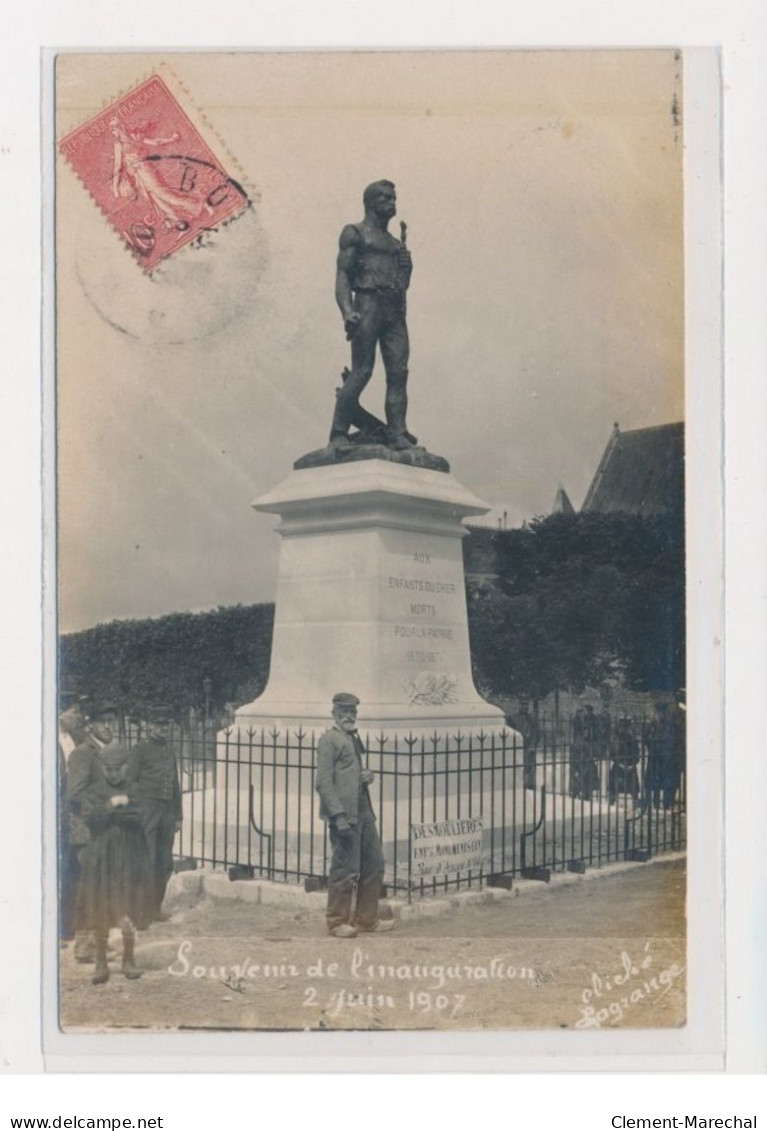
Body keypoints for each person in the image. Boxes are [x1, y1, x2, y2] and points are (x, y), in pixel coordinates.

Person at [330, 180, 414, 451]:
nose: (392, 203)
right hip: (367, 303)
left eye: (394, 198)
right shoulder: (355, 233)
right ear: (370, 202)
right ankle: (339, 433)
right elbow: (342, 276)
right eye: (386, 198)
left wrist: (406, 268)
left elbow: (403, 284)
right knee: (362, 370)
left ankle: (398, 433)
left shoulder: (393, 243)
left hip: (394, 309)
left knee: (398, 372)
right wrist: (348, 311)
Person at [315, 692, 393, 938]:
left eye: (352, 712)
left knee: (374, 865)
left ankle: (366, 920)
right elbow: (324, 783)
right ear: (334, 715)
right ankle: (337, 922)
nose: (349, 716)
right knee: (344, 869)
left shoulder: (352, 738)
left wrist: (367, 776)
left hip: (364, 812)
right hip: (344, 815)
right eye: (343, 713)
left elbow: (351, 775)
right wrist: (337, 815)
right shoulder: (330, 740)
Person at [75, 745, 153, 985]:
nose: (113, 774)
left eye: (118, 769)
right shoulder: (94, 791)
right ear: (102, 768)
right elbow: (93, 819)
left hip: (129, 858)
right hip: (102, 859)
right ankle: (100, 963)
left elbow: (139, 817)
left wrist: (109, 811)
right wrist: (116, 804)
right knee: (101, 907)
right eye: (108, 769)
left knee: (127, 906)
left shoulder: (136, 790)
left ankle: (129, 959)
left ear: (126, 767)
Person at [67, 702, 122, 962]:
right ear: (91, 725)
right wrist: (101, 812)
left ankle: (95, 944)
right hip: (88, 832)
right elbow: (75, 793)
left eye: (114, 721)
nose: (110, 726)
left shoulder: (104, 752)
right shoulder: (83, 753)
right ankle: (85, 948)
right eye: (104, 722)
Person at [127, 705, 182, 922]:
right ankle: (140, 910)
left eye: (165, 725)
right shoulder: (139, 750)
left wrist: (178, 816)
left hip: (167, 813)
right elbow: (130, 781)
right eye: (158, 725)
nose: (163, 729)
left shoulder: (169, 751)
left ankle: (155, 907)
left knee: (164, 861)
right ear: (148, 726)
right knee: (146, 860)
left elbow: (176, 785)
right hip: (147, 812)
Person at [58, 691, 88, 943]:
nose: (79, 716)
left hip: (74, 814)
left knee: (73, 869)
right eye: (75, 711)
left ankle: (68, 925)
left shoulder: (76, 738)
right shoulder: (45, 739)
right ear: (61, 713)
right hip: (56, 814)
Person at [506, 700, 540, 791]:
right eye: (522, 704)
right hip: (519, 749)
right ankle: (521, 786)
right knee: (520, 768)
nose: (525, 707)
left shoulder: (532, 719)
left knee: (531, 768)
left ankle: (531, 786)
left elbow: (537, 732)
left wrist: (534, 744)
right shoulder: (512, 719)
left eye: (527, 705)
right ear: (518, 705)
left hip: (531, 749)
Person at [608, 716, 640, 804]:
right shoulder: (616, 739)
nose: (625, 729)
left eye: (627, 726)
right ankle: (612, 799)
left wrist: (632, 765)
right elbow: (612, 754)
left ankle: (636, 801)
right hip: (619, 765)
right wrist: (620, 764)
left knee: (633, 786)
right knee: (614, 784)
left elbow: (637, 753)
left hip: (630, 765)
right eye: (622, 726)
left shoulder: (633, 739)